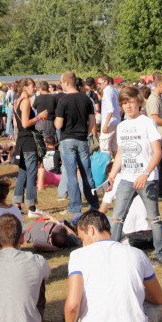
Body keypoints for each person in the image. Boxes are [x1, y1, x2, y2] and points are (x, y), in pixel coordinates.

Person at [63, 210, 162, 322]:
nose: (83, 244)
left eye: (82, 239)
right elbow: (158, 299)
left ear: (91, 230)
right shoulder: (138, 254)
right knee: (155, 306)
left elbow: (73, 305)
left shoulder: (78, 255)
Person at [106, 86, 162, 264]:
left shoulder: (147, 122)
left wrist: (145, 174)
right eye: (124, 103)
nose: (128, 106)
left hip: (147, 179)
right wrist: (112, 176)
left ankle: (160, 255)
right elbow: (121, 153)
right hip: (126, 178)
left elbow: (157, 152)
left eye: (130, 102)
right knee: (117, 217)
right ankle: (111, 255)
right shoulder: (122, 126)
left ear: (138, 102)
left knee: (153, 219)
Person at [55, 71, 99, 216]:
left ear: (67, 82)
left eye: (62, 82)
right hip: (82, 139)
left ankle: (75, 207)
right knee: (87, 173)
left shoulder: (63, 100)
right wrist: (85, 133)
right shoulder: (86, 99)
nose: (61, 85)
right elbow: (92, 121)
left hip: (67, 139)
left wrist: (55, 120)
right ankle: (93, 204)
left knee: (72, 174)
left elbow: (59, 124)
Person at [14, 78, 47, 216]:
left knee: (22, 173)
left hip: (21, 141)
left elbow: (17, 125)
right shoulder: (26, 102)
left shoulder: (16, 102)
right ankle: (32, 208)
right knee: (31, 173)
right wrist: (39, 116)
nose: (34, 89)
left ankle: (17, 205)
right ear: (25, 88)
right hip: (28, 142)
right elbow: (26, 123)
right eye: (32, 86)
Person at [97, 74, 121, 155]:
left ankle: (107, 166)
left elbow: (110, 109)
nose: (98, 85)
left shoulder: (107, 90)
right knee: (114, 146)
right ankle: (115, 165)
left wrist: (105, 124)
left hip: (109, 121)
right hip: (116, 120)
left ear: (106, 82)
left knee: (104, 147)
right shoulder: (115, 90)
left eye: (100, 83)